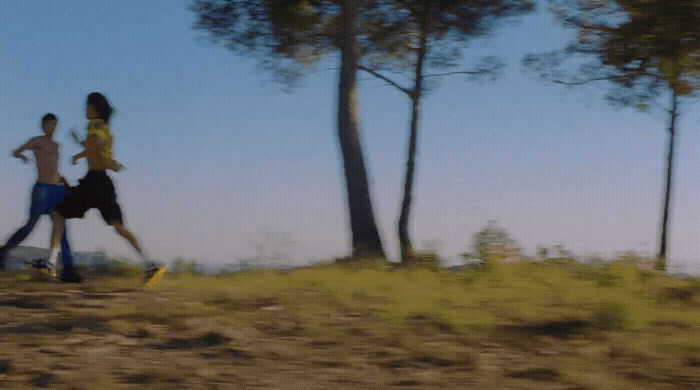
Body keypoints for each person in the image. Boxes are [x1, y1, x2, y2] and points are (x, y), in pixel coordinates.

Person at [56, 92, 166, 285]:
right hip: (104, 184)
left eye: (86, 105)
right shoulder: (105, 127)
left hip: (92, 183)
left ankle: (54, 264)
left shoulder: (94, 124)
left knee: (58, 211)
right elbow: (100, 149)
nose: (84, 109)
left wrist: (78, 149)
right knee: (119, 226)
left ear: (94, 107)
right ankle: (150, 265)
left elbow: (95, 144)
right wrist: (82, 150)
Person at [0, 113, 82, 283]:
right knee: (29, 227)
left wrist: (65, 182)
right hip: (42, 190)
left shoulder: (56, 145)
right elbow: (17, 150)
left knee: (62, 230)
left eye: (55, 125)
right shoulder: (38, 140)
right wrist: (21, 155)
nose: (53, 128)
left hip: (57, 190)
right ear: (44, 126)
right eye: (50, 125)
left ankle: (68, 269)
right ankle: (3, 252)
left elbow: (54, 169)